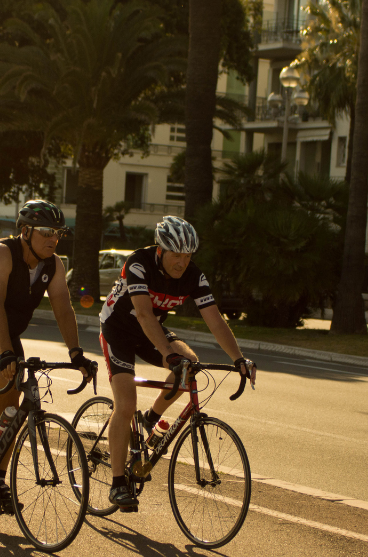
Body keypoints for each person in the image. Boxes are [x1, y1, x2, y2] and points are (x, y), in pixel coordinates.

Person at [0, 200, 97, 511]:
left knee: (11, 413)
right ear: (25, 231)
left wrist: (76, 352)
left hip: (6, 336)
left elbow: (63, 307)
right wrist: (6, 354)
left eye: (58, 233)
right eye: (46, 232)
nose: (53, 239)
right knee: (1, 376)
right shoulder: (1, 252)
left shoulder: (53, 265)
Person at [99, 215, 257, 509]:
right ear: (160, 250)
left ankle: (149, 419)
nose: (181, 262)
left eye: (187, 256)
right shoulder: (139, 263)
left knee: (189, 364)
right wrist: (167, 353)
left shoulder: (194, 276)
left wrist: (239, 359)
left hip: (152, 331)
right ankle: (118, 483)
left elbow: (215, 320)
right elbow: (144, 314)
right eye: (176, 255)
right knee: (125, 403)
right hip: (118, 329)